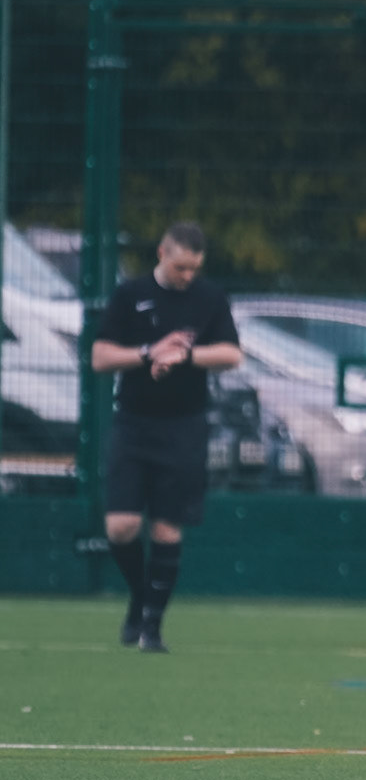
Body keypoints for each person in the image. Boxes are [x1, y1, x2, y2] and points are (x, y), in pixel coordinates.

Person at [91, 222, 243, 653]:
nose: (187, 276)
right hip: (134, 424)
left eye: (194, 269)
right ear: (162, 253)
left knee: (166, 526)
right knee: (121, 526)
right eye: (180, 268)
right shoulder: (129, 295)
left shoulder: (210, 298)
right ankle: (140, 596)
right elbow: (100, 357)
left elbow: (232, 354)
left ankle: (152, 628)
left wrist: (185, 355)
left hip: (184, 427)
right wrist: (148, 353)